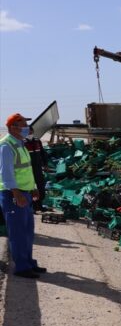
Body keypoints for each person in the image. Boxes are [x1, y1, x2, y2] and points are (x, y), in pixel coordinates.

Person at [0, 113, 47, 278]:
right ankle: (21, 267)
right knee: (18, 232)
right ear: (12, 127)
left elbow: (27, 169)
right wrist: (17, 193)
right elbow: (7, 174)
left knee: (27, 231)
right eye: (22, 124)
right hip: (13, 195)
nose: (26, 128)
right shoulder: (6, 146)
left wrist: (33, 187)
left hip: (25, 193)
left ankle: (28, 262)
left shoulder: (20, 144)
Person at [24, 126, 48, 212]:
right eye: (28, 132)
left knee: (41, 187)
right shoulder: (22, 142)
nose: (30, 133)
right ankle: (32, 207)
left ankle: (39, 205)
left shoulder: (37, 141)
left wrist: (45, 164)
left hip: (38, 168)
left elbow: (42, 153)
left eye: (31, 132)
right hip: (28, 170)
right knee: (30, 188)